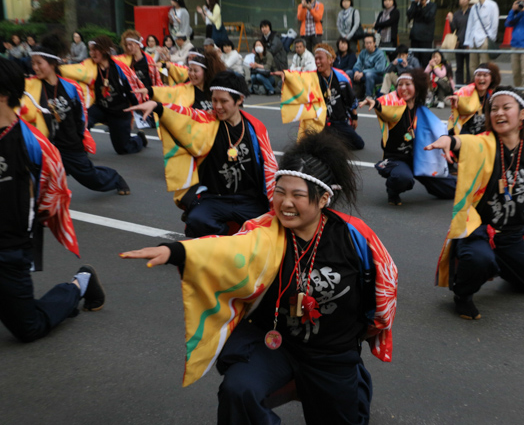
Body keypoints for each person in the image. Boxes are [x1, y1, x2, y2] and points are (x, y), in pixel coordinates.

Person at [119, 130, 398, 425]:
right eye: (280, 191)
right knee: (239, 390)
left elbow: (383, 290)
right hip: (274, 342)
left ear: (324, 198)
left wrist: (363, 334)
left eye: (298, 195)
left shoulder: (355, 236)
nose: (285, 203)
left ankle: (352, 379)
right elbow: (228, 250)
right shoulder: (264, 229)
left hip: (332, 352)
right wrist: (178, 252)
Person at [0, 56, 105, 342]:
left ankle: (80, 284)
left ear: (3, 94)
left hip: (2, 253)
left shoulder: (36, 147)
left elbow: (53, 197)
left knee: (28, 327)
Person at [425, 86, 524, 320]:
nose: (498, 113)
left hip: (511, 234)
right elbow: (463, 142)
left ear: (522, 114)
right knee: (480, 260)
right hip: (479, 229)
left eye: (506, 108)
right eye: (493, 109)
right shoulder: (483, 144)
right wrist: (448, 139)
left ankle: (521, 263)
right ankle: (463, 295)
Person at [124, 71, 278, 238]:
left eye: (224, 101)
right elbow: (184, 115)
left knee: (270, 229)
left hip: (249, 198)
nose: (217, 106)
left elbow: (269, 166)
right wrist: (158, 107)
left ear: (239, 99)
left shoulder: (255, 128)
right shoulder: (206, 122)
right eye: (214, 100)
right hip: (215, 198)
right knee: (197, 221)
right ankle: (221, 246)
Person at [22, 34, 131, 195]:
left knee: (90, 177)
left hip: (69, 144)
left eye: (39, 63)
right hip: (47, 145)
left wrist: (81, 138)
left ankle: (115, 178)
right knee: (37, 179)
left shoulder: (70, 87)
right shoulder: (32, 86)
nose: (35, 67)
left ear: (52, 64)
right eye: (33, 63)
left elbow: (80, 116)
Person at [360, 69, 456, 205]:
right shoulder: (395, 106)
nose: (403, 88)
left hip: (420, 159)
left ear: (417, 88)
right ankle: (392, 190)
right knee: (403, 178)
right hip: (397, 159)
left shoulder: (421, 109)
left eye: (407, 84)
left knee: (453, 190)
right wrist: (375, 103)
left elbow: (439, 129)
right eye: (400, 84)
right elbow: (385, 108)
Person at [59, 35, 148, 155]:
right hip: (101, 108)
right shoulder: (90, 67)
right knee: (83, 119)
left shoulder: (119, 68)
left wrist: (140, 107)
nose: (92, 53)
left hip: (120, 111)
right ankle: (80, 150)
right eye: (91, 50)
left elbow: (131, 89)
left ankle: (140, 139)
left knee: (123, 149)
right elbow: (74, 70)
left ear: (104, 51)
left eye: (95, 50)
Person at [277, 43, 364, 150]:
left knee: (359, 144)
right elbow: (298, 79)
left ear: (330, 60)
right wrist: (286, 75)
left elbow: (350, 100)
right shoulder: (312, 77)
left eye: (320, 58)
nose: (317, 62)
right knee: (315, 147)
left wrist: (354, 118)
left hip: (339, 121)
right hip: (319, 121)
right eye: (316, 58)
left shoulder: (341, 77)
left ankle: (334, 138)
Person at [150, 49, 226, 111]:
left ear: (206, 72)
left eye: (195, 71)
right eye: (190, 70)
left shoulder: (215, 90)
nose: (192, 74)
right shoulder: (184, 89)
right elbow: (169, 91)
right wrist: (149, 90)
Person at [446, 62, 501, 135]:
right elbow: (460, 95)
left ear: (492, 79)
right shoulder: (469, 90)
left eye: (485, 75)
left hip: (484, 135)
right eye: (478, 75)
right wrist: (457, 99)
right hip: (463, 133)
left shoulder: (493, 96)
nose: (481, 78)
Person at [116, 30, 164, 98]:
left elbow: (156, 81)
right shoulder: (125, 61)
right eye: (126, 45)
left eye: (130, 44)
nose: (128, 48)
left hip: (149, 96)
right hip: (133, 97)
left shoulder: (148, 60)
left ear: (138, 44)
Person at [464, 0, 499, 77]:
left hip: (484, 40)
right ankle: (474, 87)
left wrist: (489, 40)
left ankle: (487, 88)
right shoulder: (474, 7)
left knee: (485, 67)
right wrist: (468, 41)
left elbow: (494, 26)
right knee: (472, 67)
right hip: (474, 40)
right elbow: (470, 25)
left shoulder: (492, 5)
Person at [350, 34, 387, 100]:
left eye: (370, 43)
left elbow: (379, 69)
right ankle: (350, 95)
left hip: (377, 76)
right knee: (349, 73)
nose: (368, 45)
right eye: (366, 43)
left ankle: (368, 96)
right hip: (363, 74)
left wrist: (363, 73)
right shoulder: (363, 52)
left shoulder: (380, 54)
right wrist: (356, 71)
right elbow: (358, 64)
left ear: (374, 43)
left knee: (369, 75)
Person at [407, 0, 436, 68]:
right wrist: (415, 3)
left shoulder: (432, 5)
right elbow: (409, 15)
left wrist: (423, 5)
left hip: (426, 38)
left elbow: (428, 17)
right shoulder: (415, 5)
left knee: (425, 61)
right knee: (414, 61)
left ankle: (425, 77)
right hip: (415, 37)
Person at [448, 0, 472, 85]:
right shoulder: (457, 13)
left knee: (470, 67)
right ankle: (459, 86)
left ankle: (470, 86)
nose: (462, 0)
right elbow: (454, 29)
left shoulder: (472, 12)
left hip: (469, 43)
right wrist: (451, 20)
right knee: (459, 67)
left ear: (469, 0)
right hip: (459, 42)